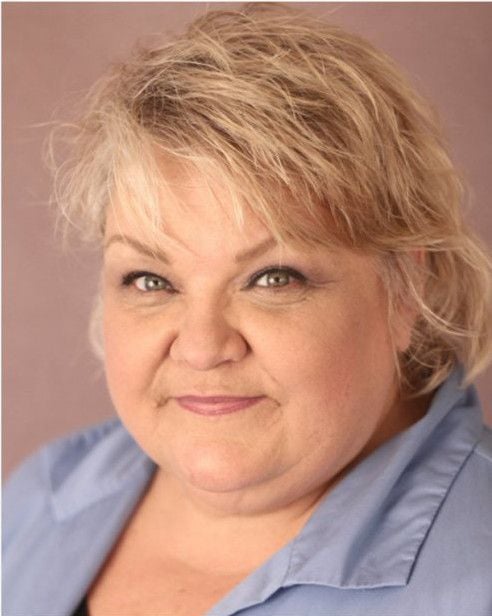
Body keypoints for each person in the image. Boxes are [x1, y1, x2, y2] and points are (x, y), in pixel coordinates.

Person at [3, 4, 492, 615]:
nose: (201, 347)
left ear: (405, 291)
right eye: (151, 280)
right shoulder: (38, 500)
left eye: (272, 278)